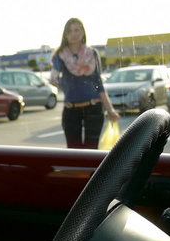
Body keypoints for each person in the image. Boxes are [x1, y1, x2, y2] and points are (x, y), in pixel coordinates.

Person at [49, 18, 120, 149]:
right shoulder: (60, 55)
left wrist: (110, 109)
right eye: (69, 31)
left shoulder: (92, 53)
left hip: (93, 108)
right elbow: (54, 78)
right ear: (65, 35)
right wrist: (62, 83)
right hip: (71, 109)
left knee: (91, 151)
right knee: (74, 151)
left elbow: (98, 82)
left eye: (77, 30)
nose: (74, 34)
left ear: (83, 32)